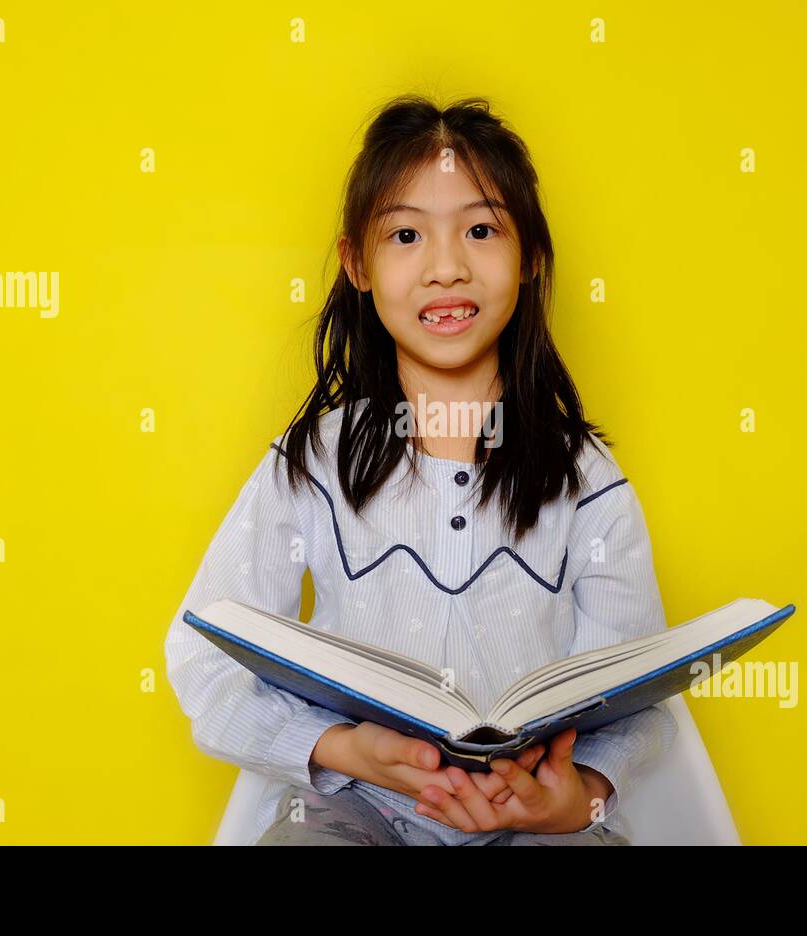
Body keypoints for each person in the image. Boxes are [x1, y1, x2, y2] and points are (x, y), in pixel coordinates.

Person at [165, 93, 677, 845]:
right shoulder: (311, 464)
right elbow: (201, 656)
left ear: (531, 255)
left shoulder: (586, 479)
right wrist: (346, 751)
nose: (446, 268)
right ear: (357, 264)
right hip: (357, 806)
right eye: (406, 234)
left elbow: (637, 703)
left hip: (532, 820)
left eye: (480, 229)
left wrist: (575, 798)